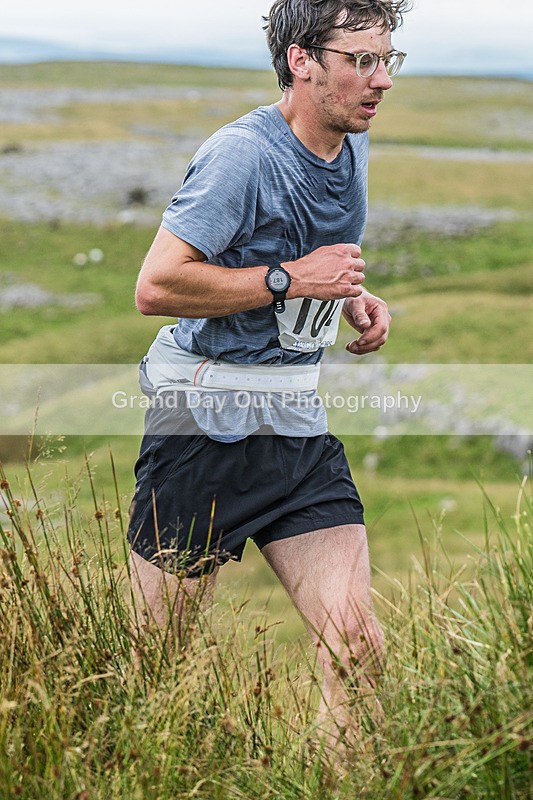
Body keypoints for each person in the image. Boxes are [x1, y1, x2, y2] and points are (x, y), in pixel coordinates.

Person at [127, 0, 410, 750]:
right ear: (300, 61)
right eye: (359, 60)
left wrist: (348, 296)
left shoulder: (350, 139)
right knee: (156, 672)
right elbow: (156, 287)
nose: (379, 79)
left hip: (292, 423)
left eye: (388, 59)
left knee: (357, 644)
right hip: (202, 426)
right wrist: (290, 280)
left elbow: (307, 260)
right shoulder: (242, 155)